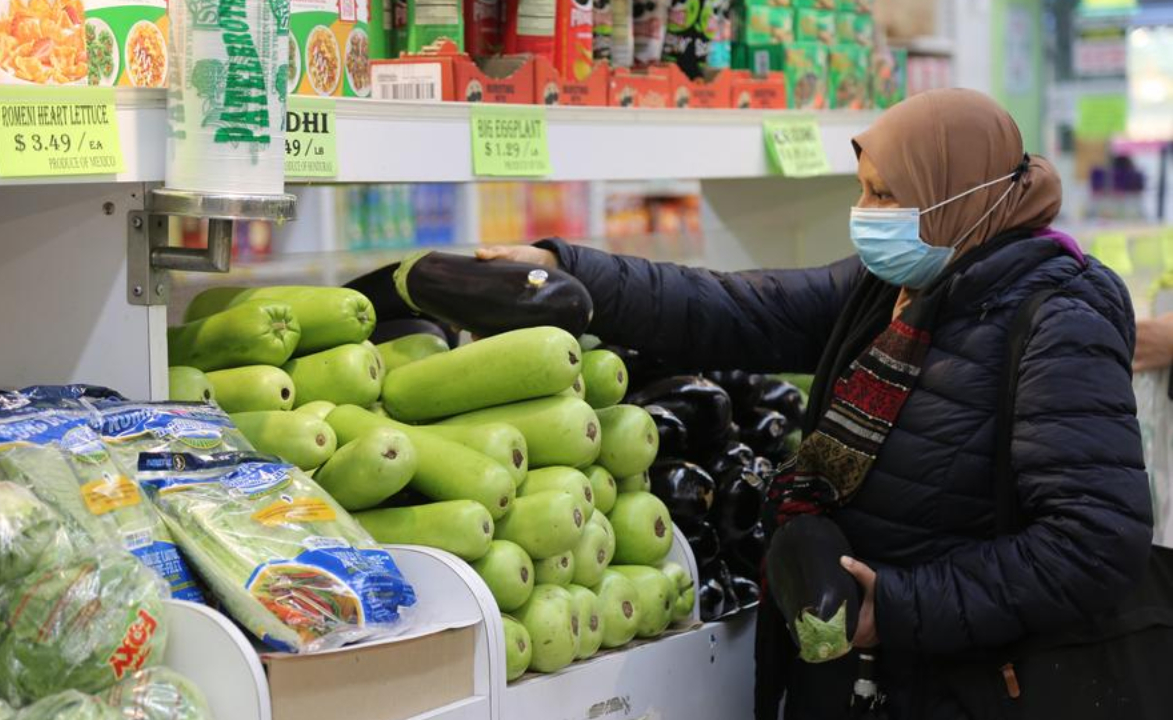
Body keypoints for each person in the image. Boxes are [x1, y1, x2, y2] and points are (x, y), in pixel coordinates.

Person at [477, 89, 1153, 719]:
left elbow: (1092, 543)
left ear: (963, 196)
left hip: (979, 687)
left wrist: (896, 607)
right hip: (874, 681)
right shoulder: (895, 288)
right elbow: (736, 309)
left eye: (887, 194)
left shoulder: (1060, 316)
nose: (867, 213)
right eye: (864, 190)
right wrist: (567, 270)